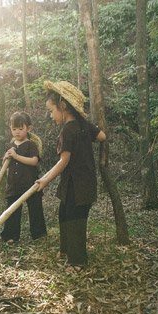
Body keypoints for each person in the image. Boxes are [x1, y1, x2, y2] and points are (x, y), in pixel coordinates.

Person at [36, 81, 106, 272]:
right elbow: (102, 137)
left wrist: (44, 180)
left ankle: (77, 262)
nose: (51, 116)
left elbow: (63, 161)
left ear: (63, 106)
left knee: (75, 220)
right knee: (65, 214)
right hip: (81, 183)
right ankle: (66, 251)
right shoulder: (83, 125)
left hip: (77, 184)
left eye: (52, 111)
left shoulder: (68, 130)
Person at [1, 112, 47, 243]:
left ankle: (39, 234)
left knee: (35, 209)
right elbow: (6, 165)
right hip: (14, 184)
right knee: (12, 210)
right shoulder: (10, 145)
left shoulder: (31, 145)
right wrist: (6, 158)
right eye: (14, 129)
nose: (17, 132)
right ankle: (11, 236)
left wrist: (16, 157)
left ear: (28, 129)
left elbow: (34, 161)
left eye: (21, 129)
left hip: (29, 183)